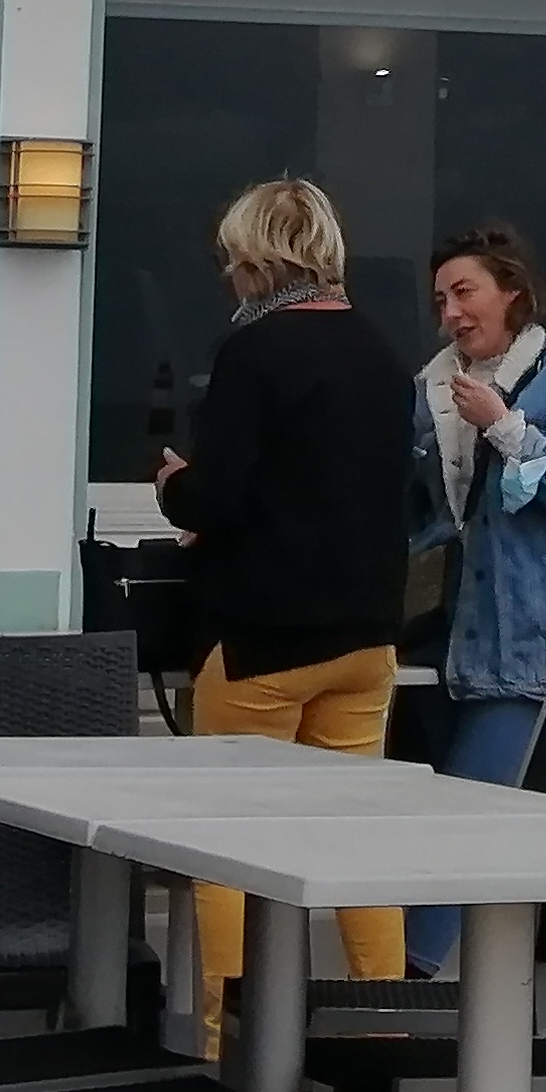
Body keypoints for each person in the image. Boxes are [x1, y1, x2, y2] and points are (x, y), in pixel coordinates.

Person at [150, 175, 414, 1029]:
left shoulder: (253, 352)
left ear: (257, 259)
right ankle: (383, 1024)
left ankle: (230, 1037)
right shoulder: (381, 353)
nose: (229, 275)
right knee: (359, 838)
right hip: (366, 636)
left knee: (229, 846)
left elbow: (217, 498)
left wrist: (174, 484)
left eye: (232, 259)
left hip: (262, 637)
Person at [400, 220, 546, 978]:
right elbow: (410, 511)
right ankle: (401, 994)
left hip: (523, 647)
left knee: (465, 825)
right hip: (431, 645)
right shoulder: (428, 392)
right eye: (440, 300)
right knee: (419, 826)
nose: (451, 314)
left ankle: (398, 996)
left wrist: (504, 429)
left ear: (513, 292)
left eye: (464, 292)